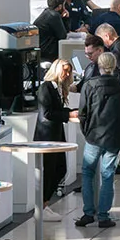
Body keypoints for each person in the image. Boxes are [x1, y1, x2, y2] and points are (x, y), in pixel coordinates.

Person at [78, 53, 120, 228]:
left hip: (93, 136)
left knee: (87, 173)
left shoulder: (89, 85)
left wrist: (86, 132)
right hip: (114, 137)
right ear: (114, 66)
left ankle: (88, 213)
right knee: (108, 175)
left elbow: (82, 113)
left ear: (98, 65)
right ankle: (103, 216)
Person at [35, 58, 74, 207]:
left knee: (60, 168)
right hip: (47, 135)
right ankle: (43, 203)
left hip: (56, 133)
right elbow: (47, 113)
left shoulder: (57, 88)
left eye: (69, 72)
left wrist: (69, 112)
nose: (67, 74)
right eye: (65, 71)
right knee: (50, 170)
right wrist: (68, 115)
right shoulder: (46, 87)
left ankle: (45, 201)